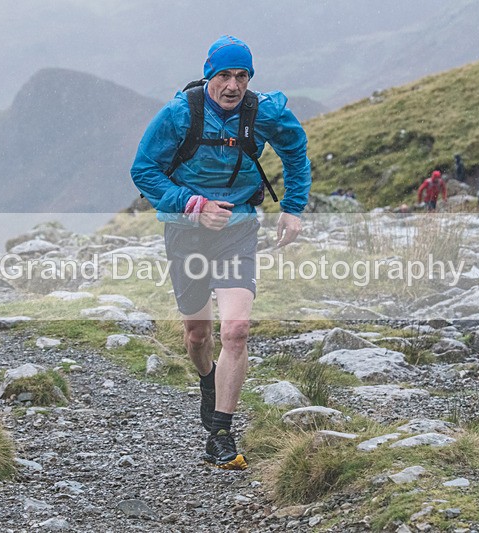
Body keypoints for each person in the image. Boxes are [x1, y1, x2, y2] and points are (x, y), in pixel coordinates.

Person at [130, 35, 311, 470]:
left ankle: (222, 432)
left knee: (235, 331)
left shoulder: (264, 111)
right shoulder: (180, 114)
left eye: (242, 76)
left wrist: (292, 207)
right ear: (210, 75)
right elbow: (143, 170)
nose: (233, 85)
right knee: (197, 335)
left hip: (239, 228)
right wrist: (192, 205)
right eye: (225, 75)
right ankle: (208, 380)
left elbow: (296, 151)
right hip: (185, 231)